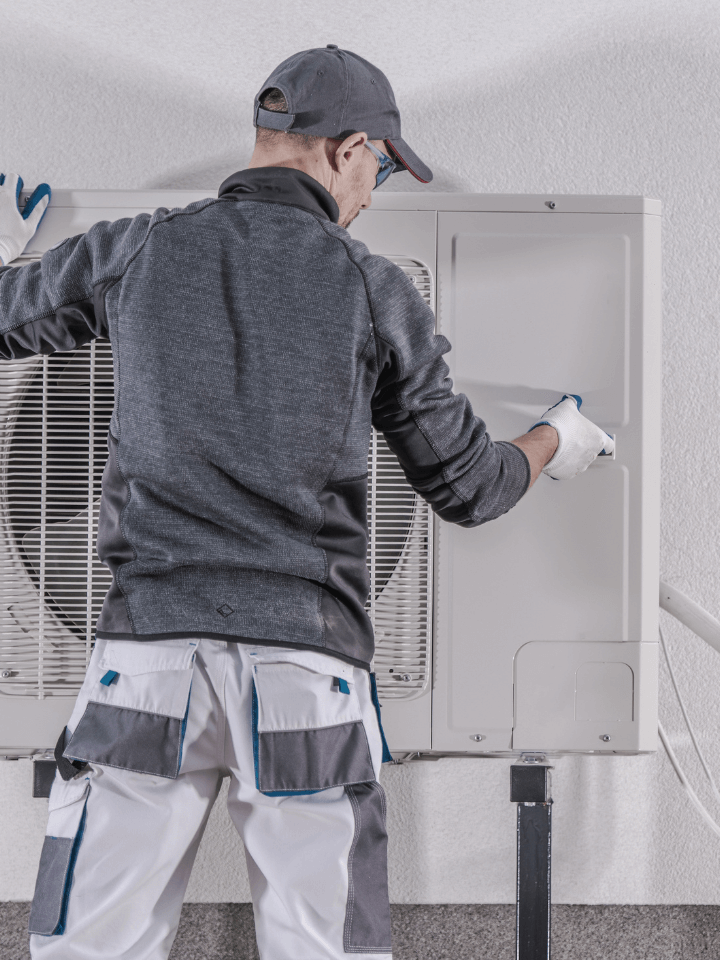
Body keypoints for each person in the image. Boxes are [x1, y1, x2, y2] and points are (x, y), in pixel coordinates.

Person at [0, 45, 611, 960]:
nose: (372, 193)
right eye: (379, 169)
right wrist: (559, 439)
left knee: (87, 946)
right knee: (325, 948)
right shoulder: (372, 287)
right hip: (304, 678)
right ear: (348, 147)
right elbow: (472, 486)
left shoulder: (137, 247)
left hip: (146, 662)